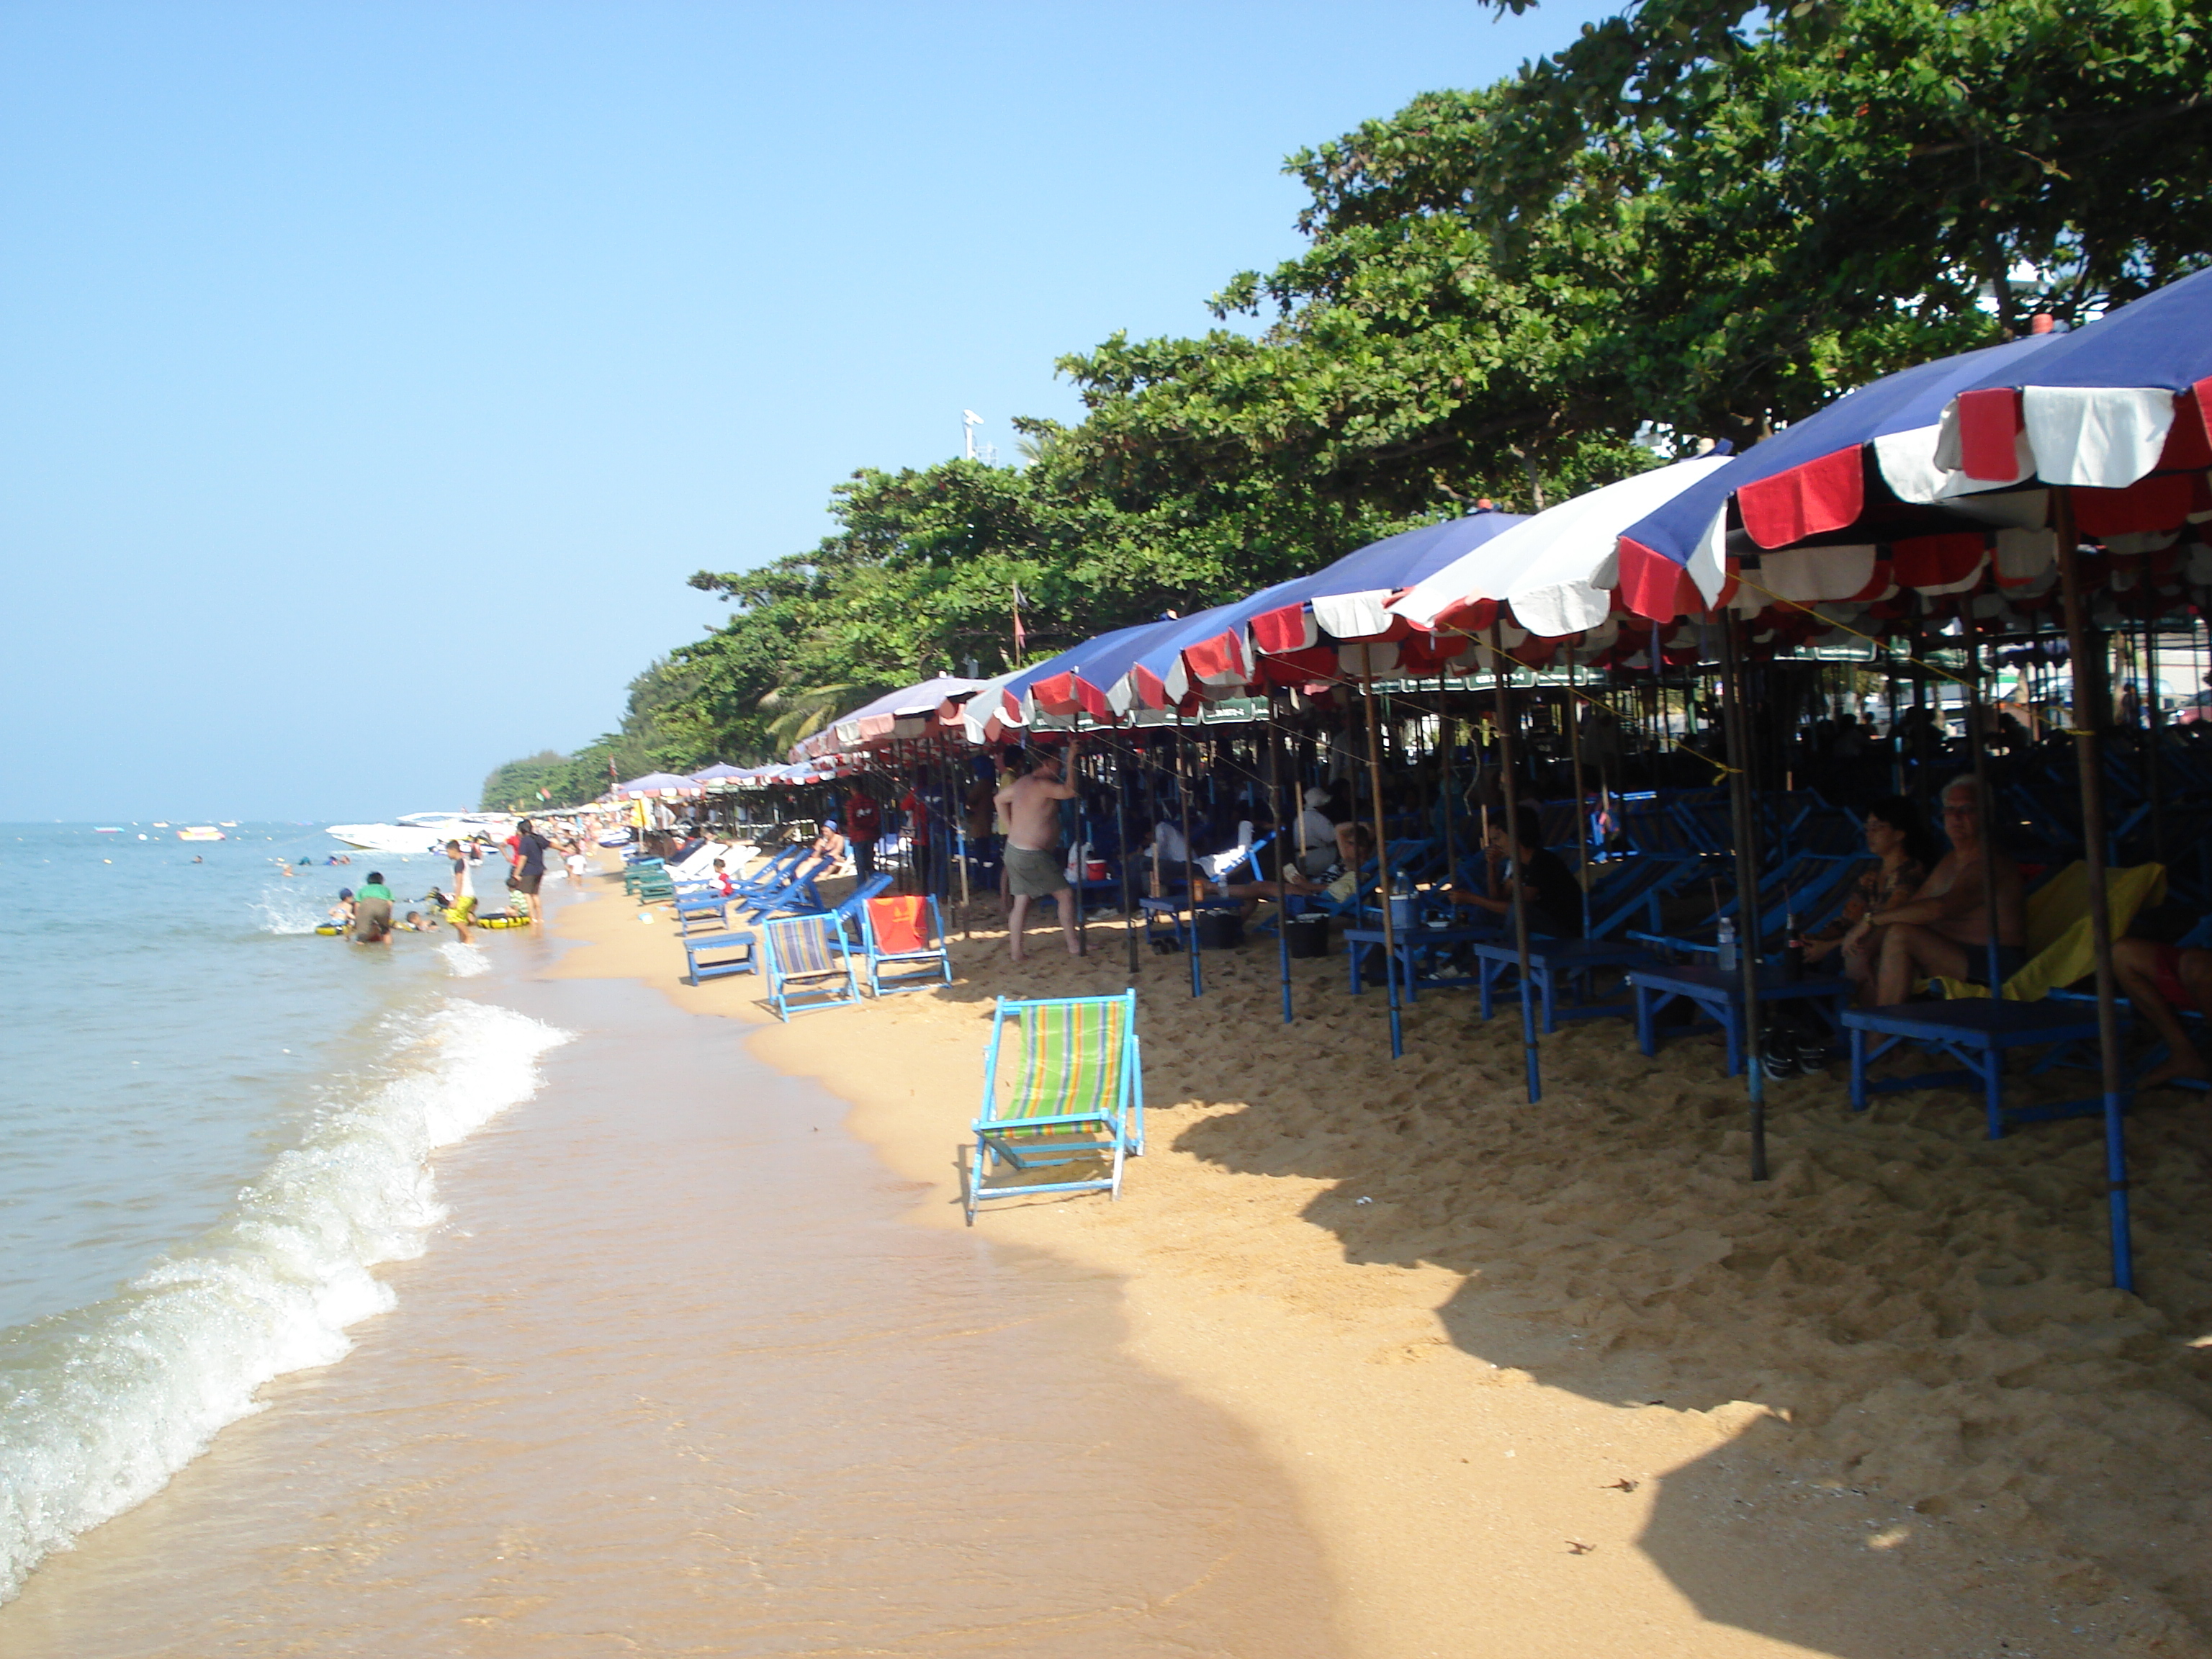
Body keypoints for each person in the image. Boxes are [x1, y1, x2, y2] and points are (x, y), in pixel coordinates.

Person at [1871, 776, 2026, 1004]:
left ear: (1986, 814)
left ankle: (1878, 1037)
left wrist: (1871, 921)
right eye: (1950, 810)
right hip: (1958, 954)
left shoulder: (1991, 862)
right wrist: (1863, 945)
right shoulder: (1952, 861)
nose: (1956, 817)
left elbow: (1940, 908)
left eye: (1966, 809)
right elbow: (1913, 906)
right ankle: (1863, 1030)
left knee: (1900, 936)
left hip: (1994, 964)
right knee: (1878, 941)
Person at [1802, 796, 1936, 1000]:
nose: (1870, 834)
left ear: (1899, 834)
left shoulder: (1910, 874)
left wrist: (1828, 947)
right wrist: (1818, 939)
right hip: (1859, 941)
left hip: (1890, 951)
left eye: (1878, 828)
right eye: (1867, 828)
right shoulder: (1871, 876)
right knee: (1801, 955)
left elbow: (1884, 925)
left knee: (1833, 960)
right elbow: (1848, 919)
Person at [994, 745, 1083, 961]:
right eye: (1057, 760)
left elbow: (998, 799)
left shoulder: (1022, 783)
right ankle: (1074, 946)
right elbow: (1070, 791)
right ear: (1046, 763)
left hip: (1015, 850)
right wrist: (1072, 759)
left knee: (1022, 901)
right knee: (1065, 895)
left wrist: (1011, 827)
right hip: (1031, 853)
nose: (1059, 764)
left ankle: (1016, 952)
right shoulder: (1042, 785)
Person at [1448, 805, 1584, 937]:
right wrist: (1492, 865)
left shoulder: (1541, 862)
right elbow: (1497, 899)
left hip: (1561, 928)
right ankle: (1469, 956)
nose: (1495, 845)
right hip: (1538, 922)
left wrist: (1473, 899)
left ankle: (1507, 954)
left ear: (1515, 835)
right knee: (1485, 911)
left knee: (1517, 910)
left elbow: (1518, 908)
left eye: (1497, 838)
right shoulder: (1521, 864)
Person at [508, 818, 555, 926]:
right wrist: (564, 848)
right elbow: (550, 844)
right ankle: (540, 918)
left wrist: (516, 873)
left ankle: (532, 918)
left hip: (529, 871)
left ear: (521, 831)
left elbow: (523, 858)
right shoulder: (537, 838)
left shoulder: (524, 841)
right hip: (540, 869)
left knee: (527, 894)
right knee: (535, 895)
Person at [844, 788, 884, 880]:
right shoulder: (871, 801)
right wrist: (869, 825)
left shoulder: (851, 803)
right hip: (870, 834)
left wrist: (858, 827)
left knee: (860, 867)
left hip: (857, 837)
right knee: (870, 863)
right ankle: (875, 887)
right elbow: (877, 819)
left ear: (852, 789)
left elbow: (851, 822)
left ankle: (862, 889)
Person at [444, 839, 477, 943]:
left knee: (452, 917)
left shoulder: (459, 863)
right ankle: (463, 942)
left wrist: (456, 899)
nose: (447, 855)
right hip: (469, 895)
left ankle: (469, 936)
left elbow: (460, 882)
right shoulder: (463, 861)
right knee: (461, 919)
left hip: (464, 895)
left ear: (454, 850)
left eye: (448, 852)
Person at [353, 871, 395, 945]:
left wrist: (358, 919)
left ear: (368, 881)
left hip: (366, 905)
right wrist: (388, 917)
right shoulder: (386, 889)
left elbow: (357, 905)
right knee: (386, 931)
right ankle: (388, 951)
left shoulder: (363, 889)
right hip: (382, 906)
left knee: (361, 935)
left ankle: (360, 952)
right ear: (382, 881)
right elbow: (390, 904)